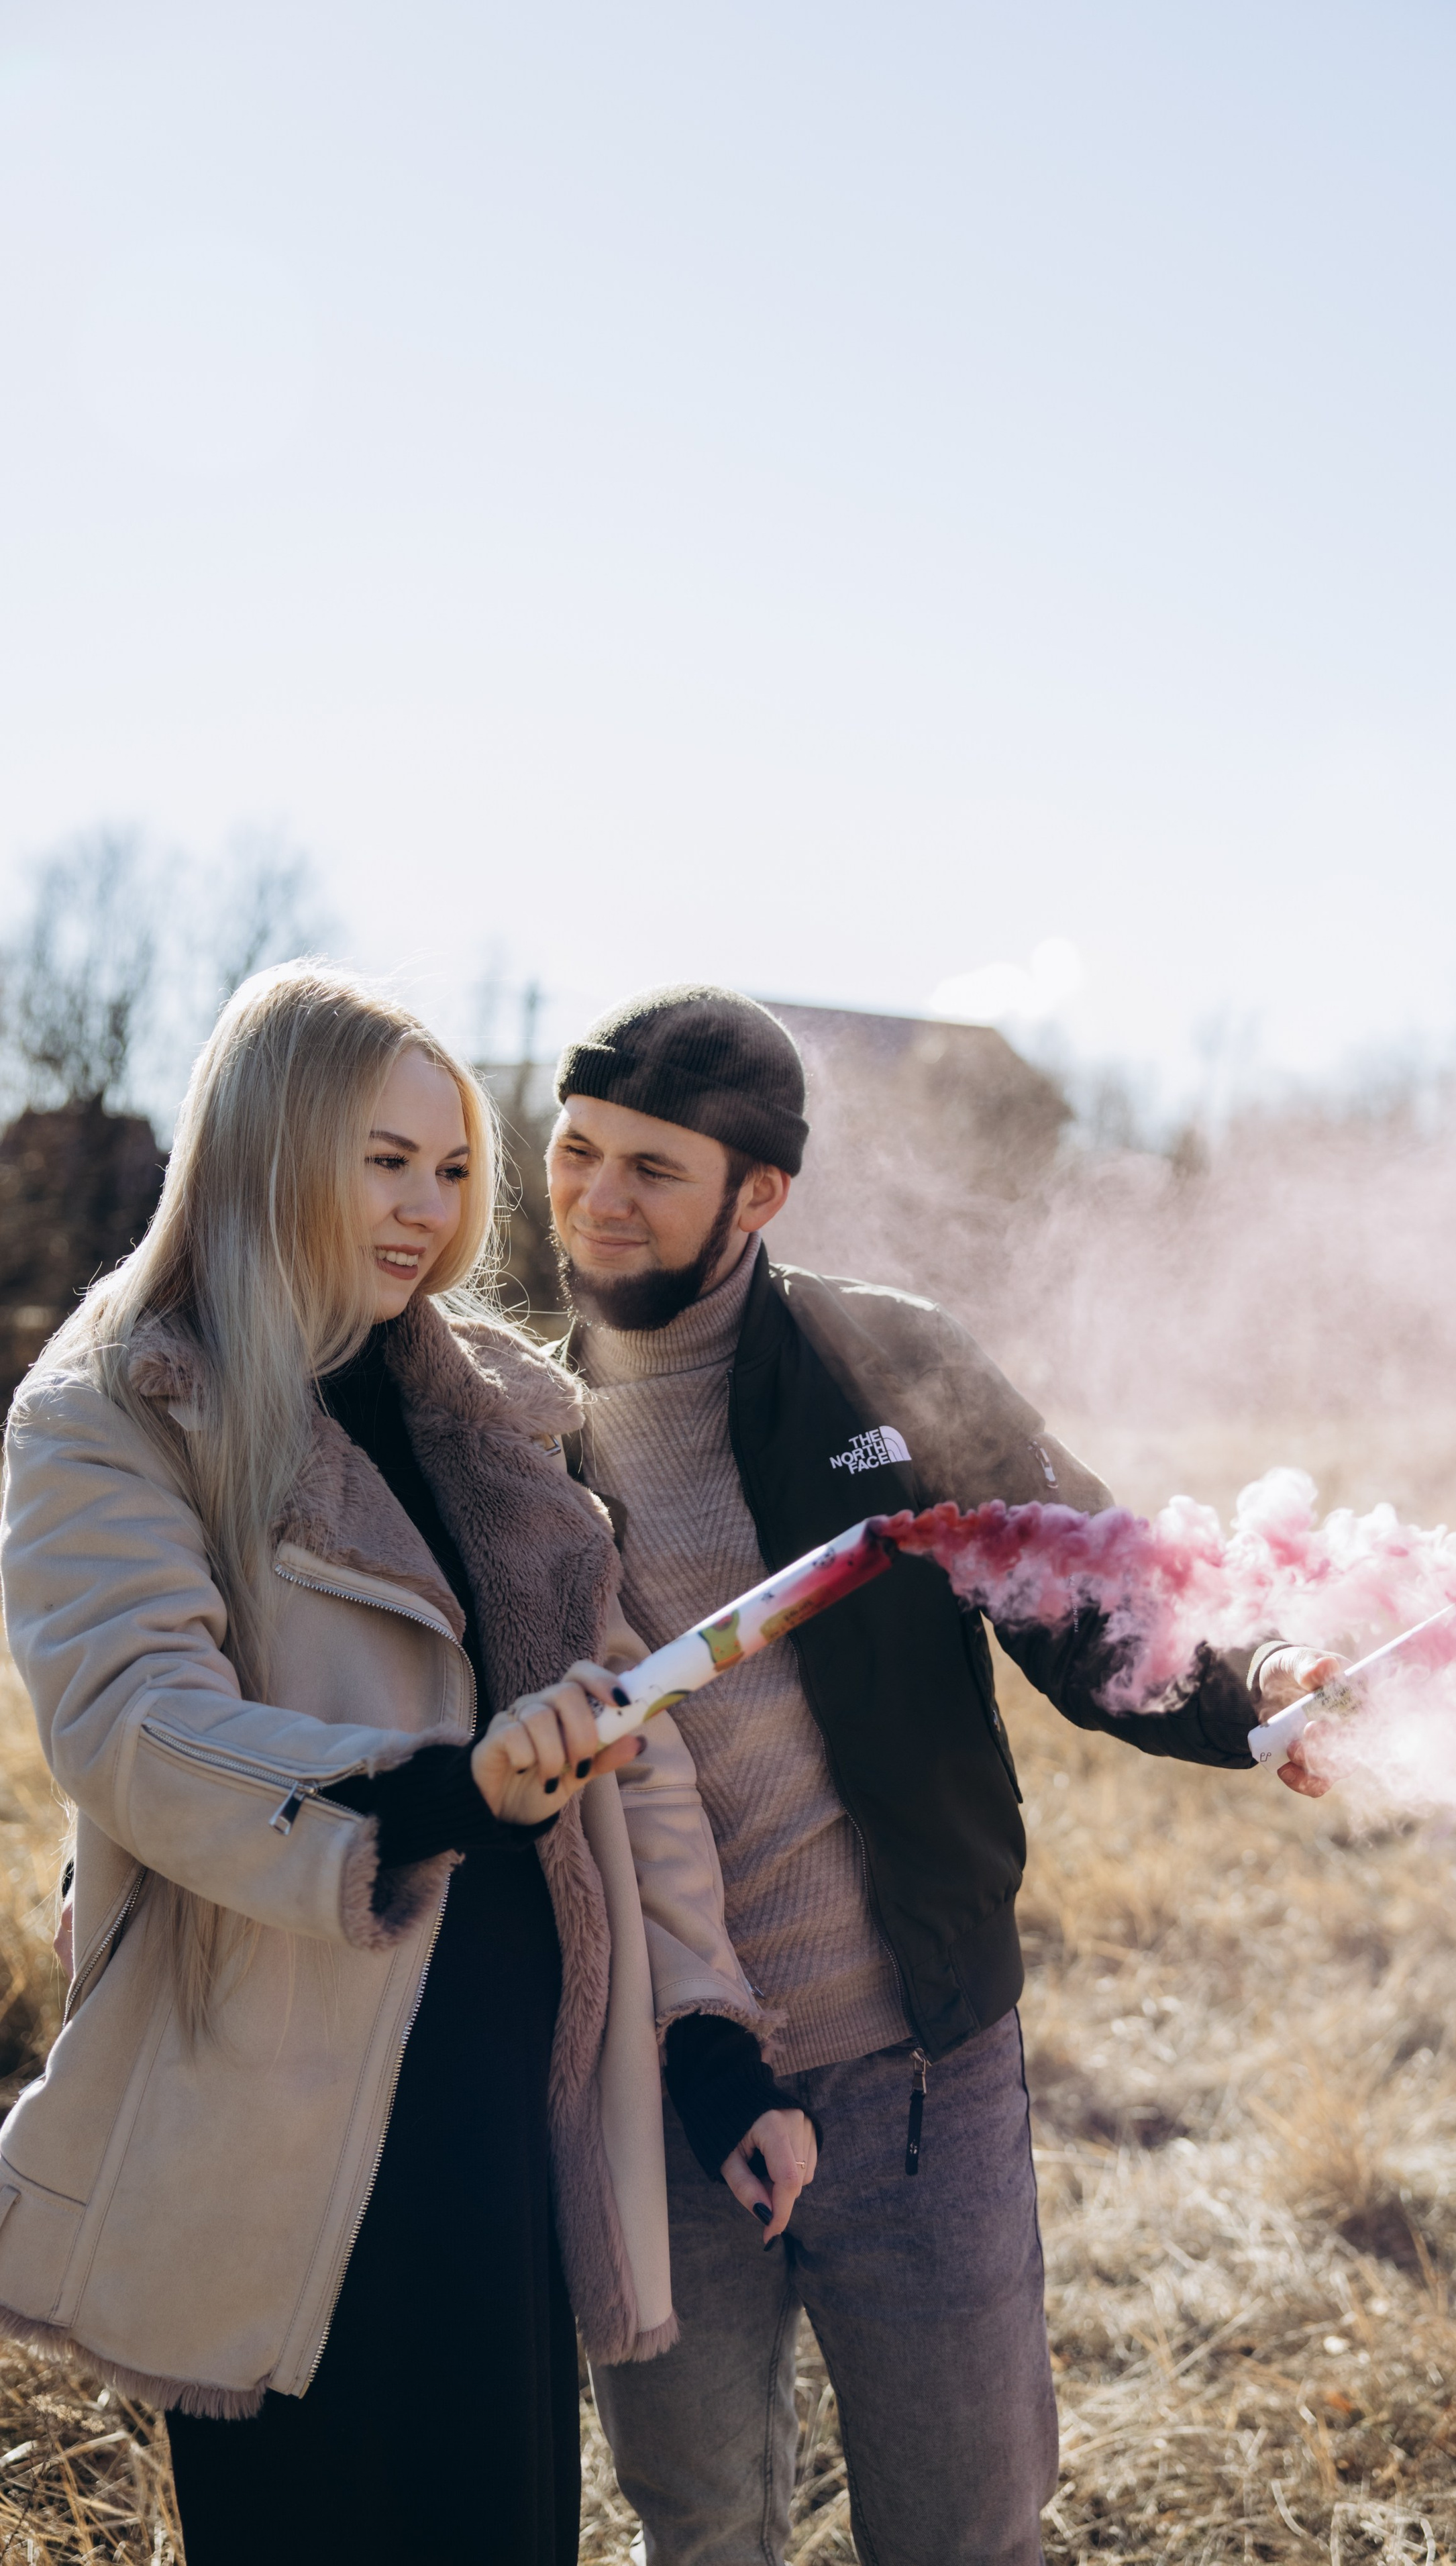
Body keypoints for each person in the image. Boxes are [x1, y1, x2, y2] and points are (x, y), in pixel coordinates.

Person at [542, 982, 1334, 2566]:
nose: (595, 1200)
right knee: (697, 2526)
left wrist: (1258, 1687)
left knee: (964, 2529)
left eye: (650, 1168)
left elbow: (1097, 1592)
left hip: (917, 2067)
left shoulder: (886, 1362)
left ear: (756, 1196)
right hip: (658, 2081)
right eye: (575, 1153)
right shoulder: (511, 1426)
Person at [0, 965, 745, 2566]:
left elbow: (632, 1751)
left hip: (498, 2082)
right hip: (269, 2095)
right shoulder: (123, 1404)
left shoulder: (494, 1417)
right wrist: (438, 1791)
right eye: (382, 1160)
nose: (427, 1209)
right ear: (268, 1148)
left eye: (455, 1166)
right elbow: (135, 1724)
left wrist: (711, 2023)